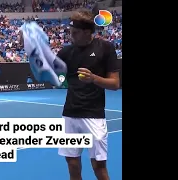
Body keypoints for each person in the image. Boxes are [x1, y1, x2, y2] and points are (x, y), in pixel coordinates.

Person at [56, 9, 120, 180]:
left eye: (74, 33)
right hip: (70, 114)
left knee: (99, 166)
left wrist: (93, 79)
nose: (71, 36)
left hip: (94, 116)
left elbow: (115, 84)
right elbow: (50, 75)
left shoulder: (105, 48)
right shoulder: (65, 52)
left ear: (86, 32)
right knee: (72, 163)